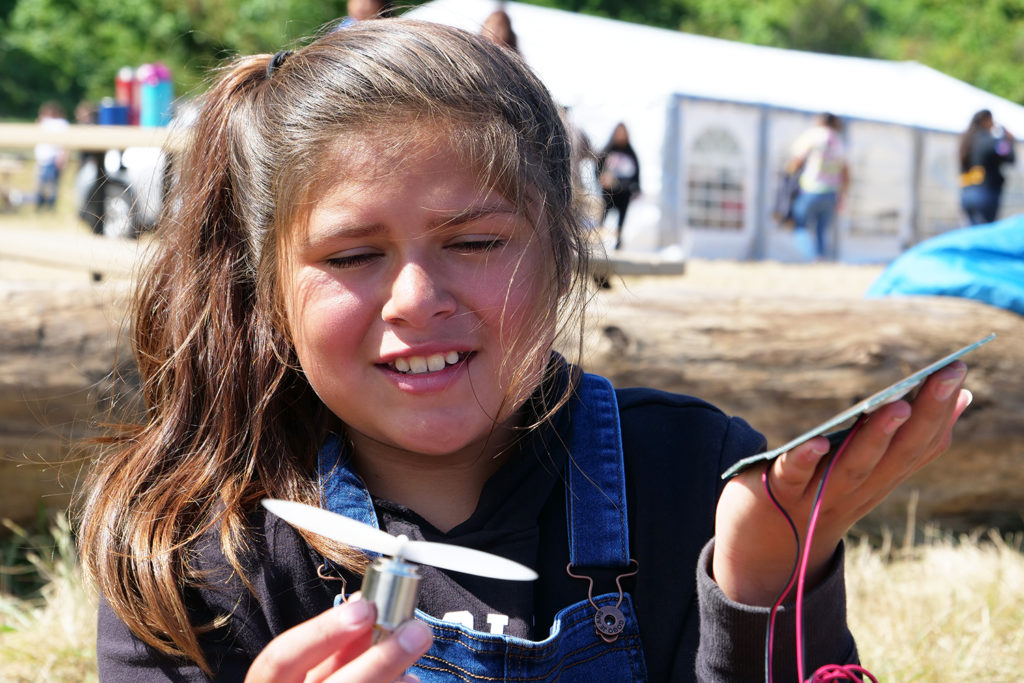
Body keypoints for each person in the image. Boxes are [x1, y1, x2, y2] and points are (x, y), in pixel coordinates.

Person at [78, 19, 973, 682]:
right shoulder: (192, 549)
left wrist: (764, 590)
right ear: (267, 287)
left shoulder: (696, 477)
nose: (418, 299)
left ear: (562, 254)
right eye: (353, 257)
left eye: (475, 243)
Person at [787, 113, 850, 260]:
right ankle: (821, 257)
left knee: (800, 225)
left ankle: (812, 257)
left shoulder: (814, 135)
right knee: (821, 230)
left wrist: (788, 176)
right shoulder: (839, 140)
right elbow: (845, 170)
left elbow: (797, 159)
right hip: (831, 192)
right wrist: (843, 194)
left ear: (820, 121)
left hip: (811, 189)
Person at [959, 109, 1016, 226]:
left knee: (974, 231)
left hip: (967, 193)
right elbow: (1009, 157)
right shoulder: (990, 142)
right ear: (986, 120)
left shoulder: (967, 142)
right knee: (984, 232)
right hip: (985, 194)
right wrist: (1008, 140)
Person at [596, 122, 640, 250]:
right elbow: (598, 166)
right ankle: (598, 241)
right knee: (603, 217)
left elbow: (636, 173)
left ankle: (618, 243)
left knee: (621, 221)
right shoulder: (608, 150)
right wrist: (601, 179)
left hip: (624, 193)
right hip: (609, 192)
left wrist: (636, 188)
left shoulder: (631, 153)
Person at [33, 101, 69, 211]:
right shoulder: (46, 122)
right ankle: (41, 205)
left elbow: (64, 143)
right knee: (41, 184)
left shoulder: (59, 123)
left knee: (50, 185)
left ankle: (48, 206)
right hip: (43, 159)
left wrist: (63, 156)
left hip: (53, 158)